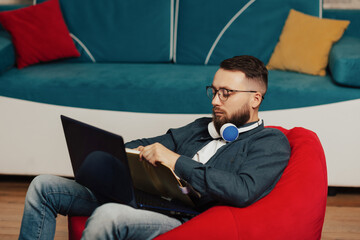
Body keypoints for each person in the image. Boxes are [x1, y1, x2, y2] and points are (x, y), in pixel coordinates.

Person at [19, 55, 291, 240]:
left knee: (107, 216)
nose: (215, 100)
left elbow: (242, 190)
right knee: (43, 185)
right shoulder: (201, 126)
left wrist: (175, 161)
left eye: (226, 93)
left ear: (255, 99)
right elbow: (149, 144)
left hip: (184, 217)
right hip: (146, 198)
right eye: (214, 90)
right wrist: (114, 153)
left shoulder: (269, 142)